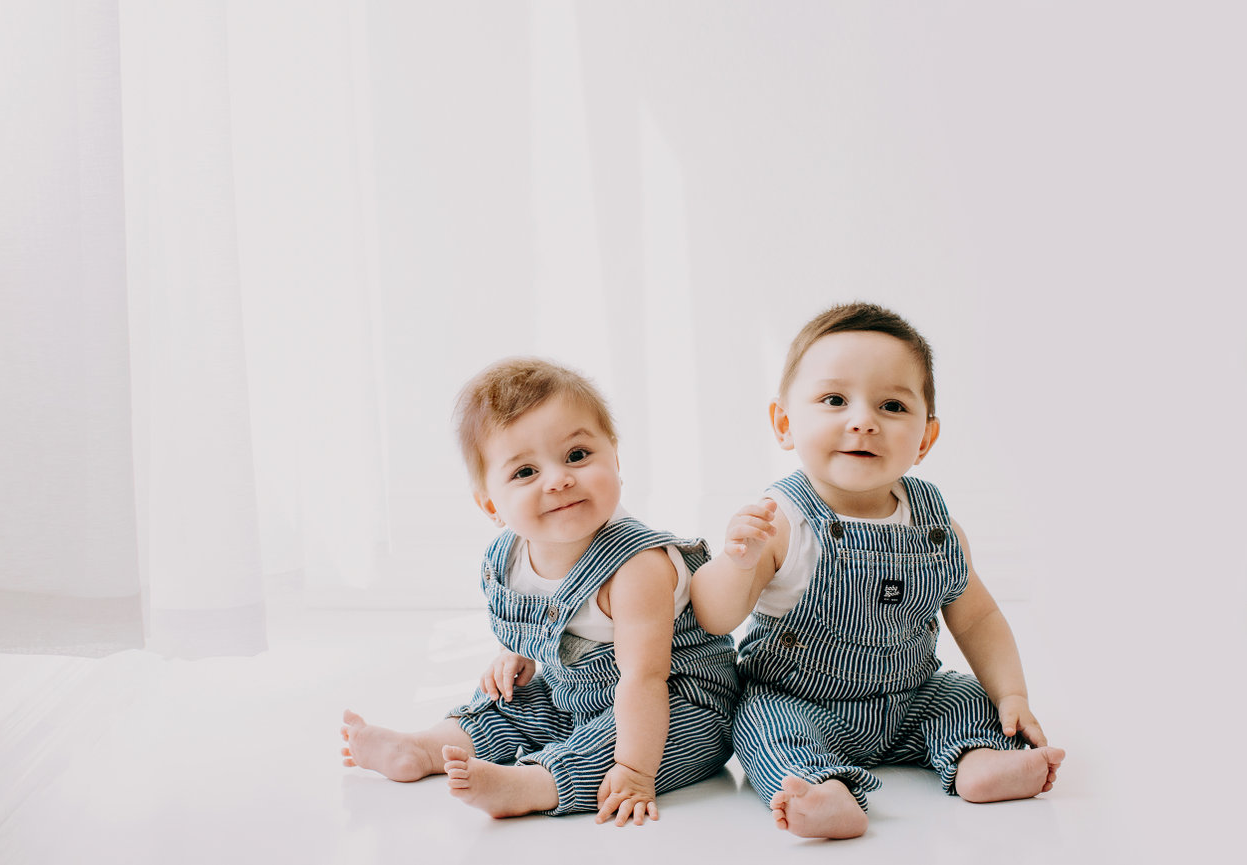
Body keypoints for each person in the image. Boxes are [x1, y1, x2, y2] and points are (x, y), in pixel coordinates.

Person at [690, 302, 1065, 839]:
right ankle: (821, 790)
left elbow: (978, 618)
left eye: (891, 405)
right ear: (784, 423)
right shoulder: (780, 522)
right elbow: (713, 617)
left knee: (961, 698)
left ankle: (979, 760)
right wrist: (735, 561)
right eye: (834, 400)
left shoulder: (937, 526)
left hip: (911, 697)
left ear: (925, 439)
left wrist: (1012, 696)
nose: (862, 420)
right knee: (765, 727)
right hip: (800, 700)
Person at [341, 358, 740, 825]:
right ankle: (427, 747)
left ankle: (534, 785)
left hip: (673, 700)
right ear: (492, 504)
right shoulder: (506, 558)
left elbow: (642, 679)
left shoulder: (637, 567)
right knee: (509, 705)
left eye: (577, 456)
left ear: (614, 459)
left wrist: (633, 772)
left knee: (610, 745)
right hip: (571, 690)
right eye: (525, 472)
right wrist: (521, 656)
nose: (558, 479)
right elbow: (547, 628)